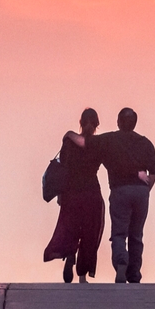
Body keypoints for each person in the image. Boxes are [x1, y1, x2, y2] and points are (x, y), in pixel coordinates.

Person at [66, 107, 155, 283]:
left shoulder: (109, 140)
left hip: (120, 190)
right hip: (140, 191)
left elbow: (85, 142)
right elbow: (153, 171)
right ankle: (134, 274)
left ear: (118, 122)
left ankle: (121, 262)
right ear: (135, 123)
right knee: (136, 234)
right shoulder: (146, 143)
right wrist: (146, 190)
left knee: (119, 233)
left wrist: (69, 134)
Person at [43, 108, 105, 283]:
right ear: (97, 125)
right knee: (89, 231)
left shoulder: (69, 142)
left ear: (80, 122)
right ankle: (82, 275)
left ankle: (70, 254)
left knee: (70, 227)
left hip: (71, 192)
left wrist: (60, 195)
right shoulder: (98, 144)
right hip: (91, 192)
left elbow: (64, 168)